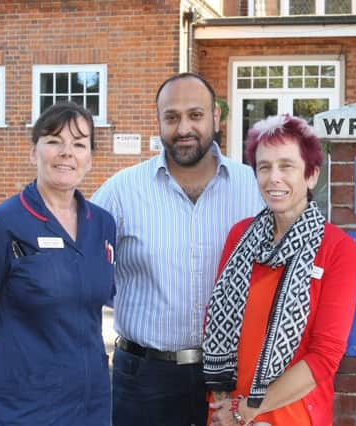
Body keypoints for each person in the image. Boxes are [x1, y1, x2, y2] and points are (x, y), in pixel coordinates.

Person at [90, 72, 264, 426]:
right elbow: (83, 272)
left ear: (216, 116)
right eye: (171, 117)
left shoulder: (254, 188)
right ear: (159, 122)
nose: (183, 127)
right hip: (144, 378)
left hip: (233, 379)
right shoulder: (121, 192)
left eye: (195, 115)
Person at [0, 102, 116, 425]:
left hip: (89, 406)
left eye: (79, 144)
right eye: (54, 141)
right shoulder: (2, 225)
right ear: (33, 152)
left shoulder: (103, 225)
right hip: (16, 410)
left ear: (90, 158)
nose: (67, 152)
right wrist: (13, 374)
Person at [203, 114, 356, 426]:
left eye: (287, 166)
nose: (274, 177)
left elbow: (325, 357)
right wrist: (225, 407)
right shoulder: (240, 236)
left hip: (291, 414)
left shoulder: (336, 248)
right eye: (264, 167)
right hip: (227, 411)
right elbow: (215, 320)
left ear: (311, 175)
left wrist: (246, 410)